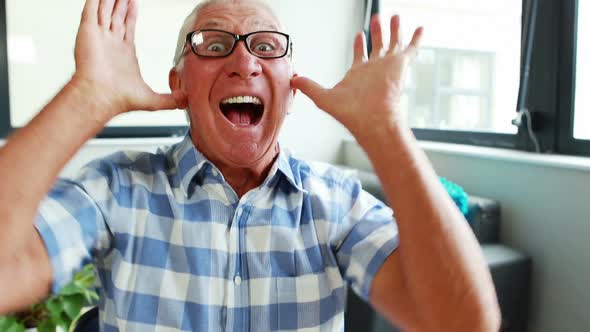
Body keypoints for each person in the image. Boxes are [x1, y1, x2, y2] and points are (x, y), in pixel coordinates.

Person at [0, 0, 501, 331]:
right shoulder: (117, 188)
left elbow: (463, 322)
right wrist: (88, 96)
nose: (244, 63)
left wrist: (384, 128)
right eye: (214, 46)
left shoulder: (335, 203)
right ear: (181, 85)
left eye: (266, 47)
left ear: (289, 86)